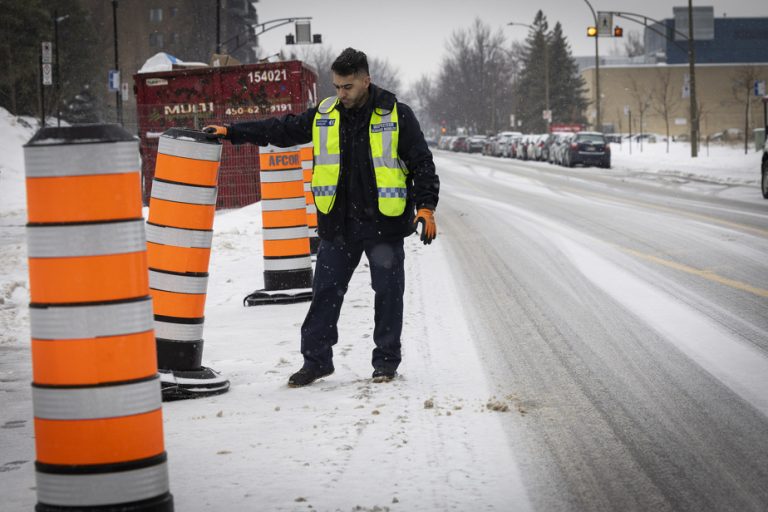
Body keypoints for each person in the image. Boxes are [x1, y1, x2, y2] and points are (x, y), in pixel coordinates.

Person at [204, 48, 439, 387]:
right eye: (336, 87)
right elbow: (281, 130)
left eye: (347, 87)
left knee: (388, 293)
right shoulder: (325, 115)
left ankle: (385, 362)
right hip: (338, 225)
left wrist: (426, 206)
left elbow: (422, 163)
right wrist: (233, 133)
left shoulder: (396, 115)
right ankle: (316, 362)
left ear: (365, 80)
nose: (341, 94)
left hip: (382, 226)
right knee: (325, 292)